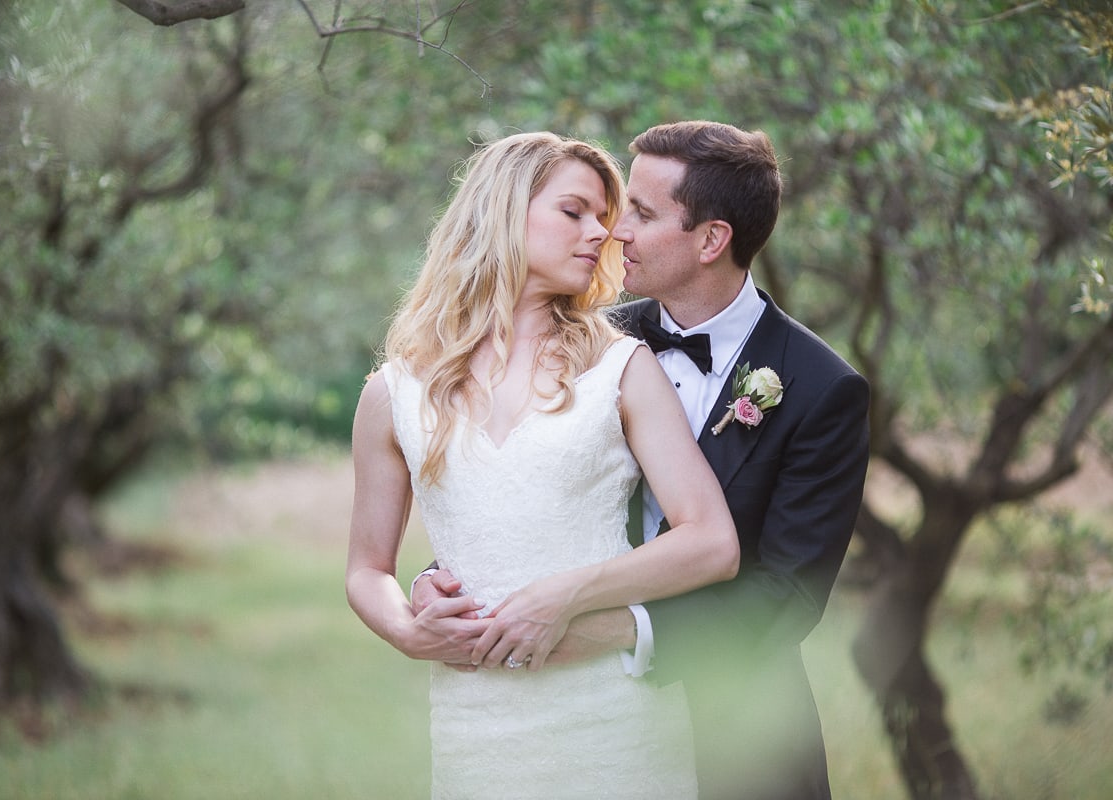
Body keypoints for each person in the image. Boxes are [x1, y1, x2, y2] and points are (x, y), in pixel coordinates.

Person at [415, 121, 870, 800]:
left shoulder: (821, 387)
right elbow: (524, 482)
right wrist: (441, 576)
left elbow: (788, 593)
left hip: (738, 734)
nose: (612, 231)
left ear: (712, 240)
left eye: (642, 214)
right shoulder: (588, 344)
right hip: (581, 724)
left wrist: (624, 632)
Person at [345, 131, 741, 799]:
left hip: (614, 723)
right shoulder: (392, 392)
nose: (602, 234)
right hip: (478, 730)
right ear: (503, 211)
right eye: (575, 211)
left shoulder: (621, 368)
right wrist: (409, 632)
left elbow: (712, 542)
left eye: (605, 216)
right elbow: (366, 570)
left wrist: (567, 595)